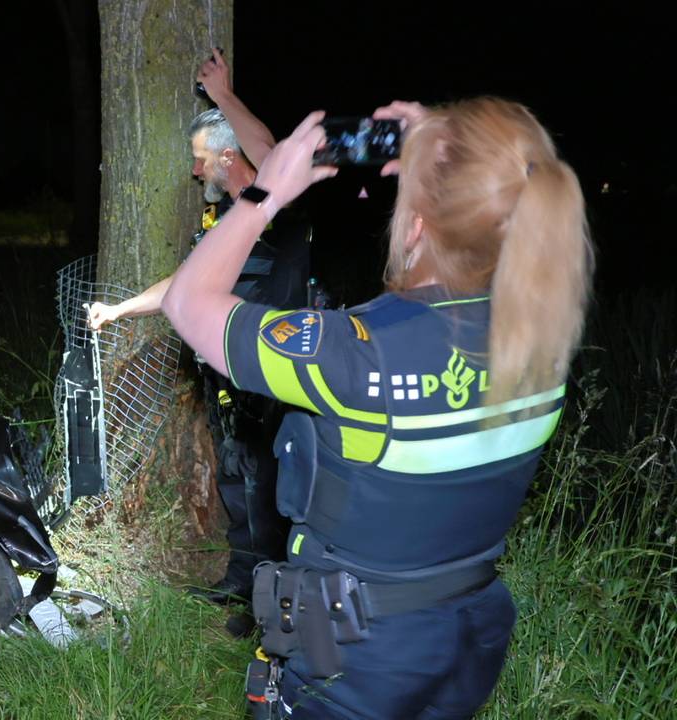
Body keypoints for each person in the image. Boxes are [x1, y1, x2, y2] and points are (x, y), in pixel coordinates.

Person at [161, 98, 593, 718]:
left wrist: (264, 194)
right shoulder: (543, 343)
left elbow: (188, 304)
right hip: (468, 640)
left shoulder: (356, 355)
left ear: (416, 225)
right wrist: (447, 157)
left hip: (356, 663)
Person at [88, 49, 309, 611]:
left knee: (270, 487)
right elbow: (183, 284)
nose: (193, 171)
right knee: (236, 478)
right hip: (229, 381)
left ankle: (269, 601)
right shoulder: (225, 223)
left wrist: (224, 96)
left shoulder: (269, 208)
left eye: (199, 159)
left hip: (273, 379)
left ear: (228, 156)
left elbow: (274, 154)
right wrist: (120, 310)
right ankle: (241, 582)